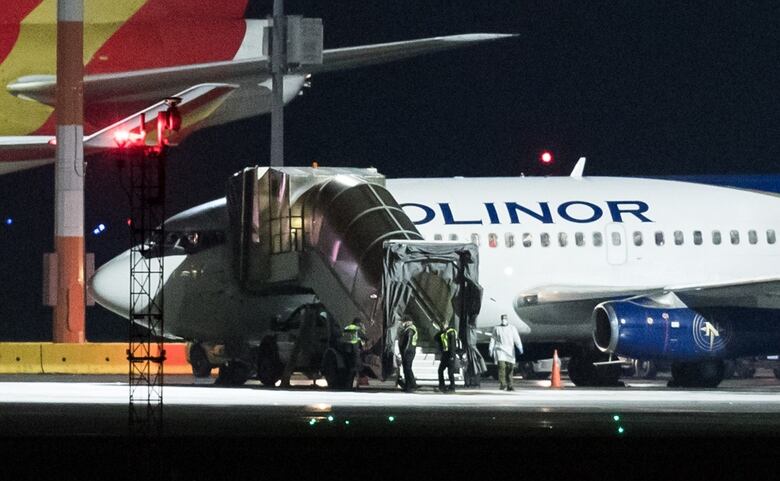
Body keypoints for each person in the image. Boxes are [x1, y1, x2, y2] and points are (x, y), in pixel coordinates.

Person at [488, 314, 524, 391]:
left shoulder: (512, 328)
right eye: (502, 319)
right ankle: (503, 384)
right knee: (501, 367)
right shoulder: (496, 328)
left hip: (510, 350)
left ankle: (510, 385)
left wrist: (520, 346)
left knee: (510, 368)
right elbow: (493, 339)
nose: (504, 320)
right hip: (500, 350)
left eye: (505, 318)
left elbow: (516, 338)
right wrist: (490, 349)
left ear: (507, 319)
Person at [342, 317, 367, 388]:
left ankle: (348, 384)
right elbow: (364, 337)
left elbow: (343, 336)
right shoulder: (357, 329)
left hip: (346, 349)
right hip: (354, 349)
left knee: (349, 367)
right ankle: (354, 384)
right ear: (357, 322)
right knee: (355, 367)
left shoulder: (347, 327)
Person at [436, 323, 459, 392]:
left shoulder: (451, 332)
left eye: (443, 325)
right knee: (440, 370)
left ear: (447, 325)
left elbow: (452, 345)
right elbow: (436, 337)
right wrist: (441, 331)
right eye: (441, 326)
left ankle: (452, 387)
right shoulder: (443, 333)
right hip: (445, 354)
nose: (442, 326)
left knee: (450, 372)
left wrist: (452, 356)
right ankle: (442, 385)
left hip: (450, 355)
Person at [398, 317, 418, 392]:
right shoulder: (407, 329)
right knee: (406, 369)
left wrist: (405, 350)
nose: (403, 324)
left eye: (404, 322)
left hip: (409, 351)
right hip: (407, 351)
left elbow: (408, 341)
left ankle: (413, 384)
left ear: (408, 322)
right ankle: (408, 385)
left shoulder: (410, 329)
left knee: (408, 368)